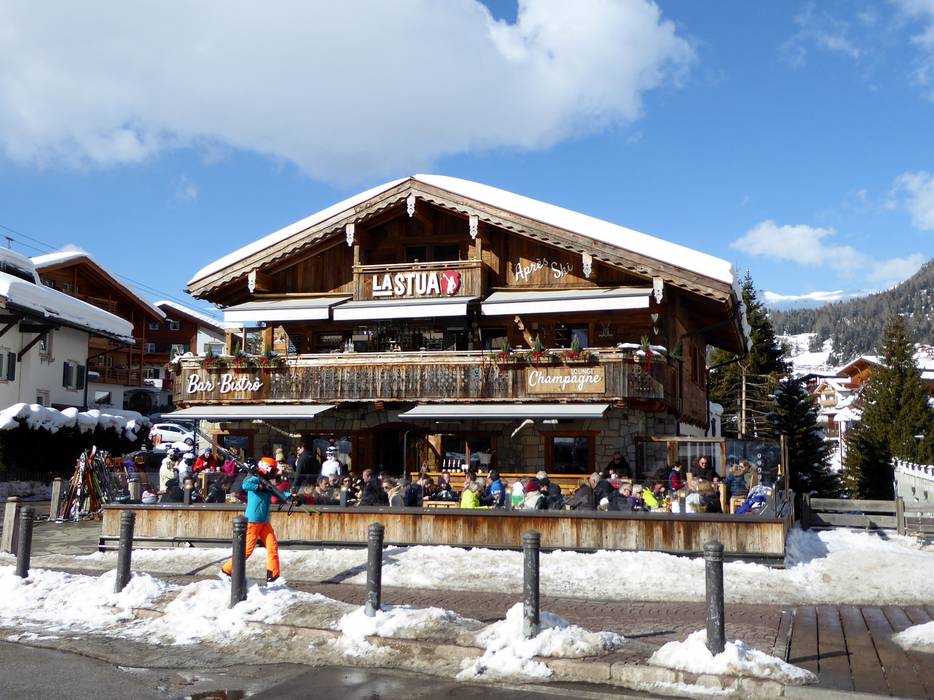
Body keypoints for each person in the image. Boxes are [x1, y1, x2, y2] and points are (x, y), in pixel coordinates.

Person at [221, 457, 286, 583]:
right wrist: (260, 486)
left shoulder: (267, 482)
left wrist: (292, 497)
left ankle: (273, 576)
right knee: (247, 550)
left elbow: (278, 493)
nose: (274, 473)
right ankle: (226, 571)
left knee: (272, 547)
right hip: (253, 521)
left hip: (264, 521)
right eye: (273, 470)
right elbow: (246, 485)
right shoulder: (255, 478)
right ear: (266, 468)